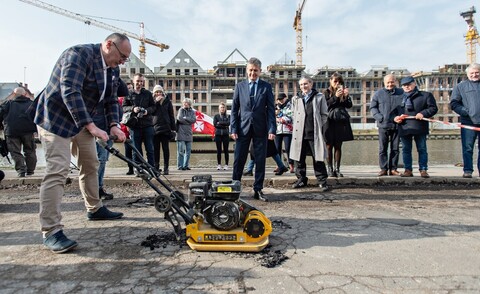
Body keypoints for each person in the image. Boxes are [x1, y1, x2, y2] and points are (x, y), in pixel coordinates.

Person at [31, 33, 128, 253]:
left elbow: (111, 99)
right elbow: (70, 91)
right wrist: (92, 126)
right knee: (58, 169)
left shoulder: (113, 69)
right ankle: (51, 230)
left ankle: (94, 208)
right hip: (55, 119)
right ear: (108, 45)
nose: (123, 61)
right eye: (122, 56)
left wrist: (113, 124)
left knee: (91, 163)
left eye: (125, 59)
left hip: (82, 121)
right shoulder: (78, 55)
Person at [230, 57, 276, 202]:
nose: (252, 73)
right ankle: (234, 188)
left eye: (255, 70)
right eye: (250, 70)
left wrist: (272, 129)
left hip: (261, 128)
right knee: (239, 159)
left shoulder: (266, 87)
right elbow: (234, 109)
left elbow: (270, 110)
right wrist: (233, 128)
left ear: (260, 71)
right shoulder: (240, 86)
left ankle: (258, 189)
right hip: (243, 128)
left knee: (260, 160)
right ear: (246, 71)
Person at [290, 76, 330, 192]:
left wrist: (318, 124)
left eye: (306, 84)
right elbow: (293, 113)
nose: (303, 86)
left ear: (311, 84)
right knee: (299, 158)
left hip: (314, 133)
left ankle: (322, 181)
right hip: (299, 133)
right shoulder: (296, 98)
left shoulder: (319, 97)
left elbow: (324, 114)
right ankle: (301, 179)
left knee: (318, 157)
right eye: (301, 84)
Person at [394, 76, 438, 178]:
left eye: (409, 84)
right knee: (406, 149)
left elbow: (433, 108)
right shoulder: (399, 98)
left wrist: (423, 113)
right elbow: (393, 112)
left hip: (420, 127)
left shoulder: (426, 95)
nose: (407, 87)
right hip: (404, 127)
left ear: (414, 84)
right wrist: (395, 118)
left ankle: (423, 170)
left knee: (422, 149)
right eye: (404, 85)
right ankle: (408, 170)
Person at [94, 78, 129, 200]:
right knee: (100, 160)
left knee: (103, 160)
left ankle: (98, 187)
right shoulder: (99, 96)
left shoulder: (113, 97)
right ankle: (96, 189)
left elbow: (124, 91)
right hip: (100, 130)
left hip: (109, 130)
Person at [369, 74, 404, 176]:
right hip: (383, 125)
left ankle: (393, 169)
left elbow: (405, 106)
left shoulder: (401, 93)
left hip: (397, 125)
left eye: (392, 82)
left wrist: (401, 117)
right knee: (382, 148)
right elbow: (373, 108)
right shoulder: (378, 94)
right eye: (388, 82)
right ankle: (383, 169)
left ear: (395, 81)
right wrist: (380, 118)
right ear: (384, 83)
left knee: (395, 148)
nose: (390, 84)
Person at [450, 63, 480, 178]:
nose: (474, 75)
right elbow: (454, 103)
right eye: (472, 73)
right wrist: (465, 111)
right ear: (467, 74)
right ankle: (468, 170)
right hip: (468, 123)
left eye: (477, 72)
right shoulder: (460, 87)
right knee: (467, 148)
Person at [0, 87, 37, 177]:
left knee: (15, 152)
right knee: (30, 150)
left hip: (11, 132)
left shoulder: (7, 104)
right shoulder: (32, 104)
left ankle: (21, 170)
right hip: (28, 131)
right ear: (24, 94)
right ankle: (30, 170)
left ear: (14, 94)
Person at [122, 73, 155, 173]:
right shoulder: (128, 94)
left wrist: (146, 111)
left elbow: (153, 107)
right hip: (134, 125)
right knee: (136, 149)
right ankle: (139, 169)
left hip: (147, 125)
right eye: (137, 81)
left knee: (150, 148)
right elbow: (123, 107)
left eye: (141, 81)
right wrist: (133, 108)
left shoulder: (148, 94)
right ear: (134, 82)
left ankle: (151, 168)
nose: (139, 83)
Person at [324, 72, 354, 178]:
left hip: (340, 122)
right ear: (331, 81)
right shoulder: (326, 92)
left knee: (338, 146)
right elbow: (325, 105)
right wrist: (336, 97)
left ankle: (337, 169)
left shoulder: (343, 92)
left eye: (340, 82)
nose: (337, 83)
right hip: (329, 121)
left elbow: (349, 106)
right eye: (335, 81)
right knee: (328, 146)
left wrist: (346, 97)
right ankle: (329, 169)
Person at [152, 85, 175, 175]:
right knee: (155, 149)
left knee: (166, 149)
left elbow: (171, 115)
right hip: (155, 128)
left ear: (162, 92)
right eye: (156, 92)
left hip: (166, 128)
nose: (158, 94)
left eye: (160, 92)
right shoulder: (152, 102)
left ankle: (166, 168)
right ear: (154, 93)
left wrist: (173, 129)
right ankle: (156, 167)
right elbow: (151, 111)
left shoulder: (167, 102)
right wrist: (156, 102)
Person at [275, 93, 294, 173]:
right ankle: (279, 165)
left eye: (282, 99)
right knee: (277, 148)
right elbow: (273, 116)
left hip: (288, 130)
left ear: (285, 98)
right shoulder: (276, 106)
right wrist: (277, 118)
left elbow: (292, 115)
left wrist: (284, 119)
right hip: (278, 130)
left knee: (288, 148)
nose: (280, 100)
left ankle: (291, 165)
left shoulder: (291, 106)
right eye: (279, 99)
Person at [176, 98, 196, 170]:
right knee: (180, 151)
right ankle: (180, 166)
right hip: (180, 133)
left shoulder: (192, 111)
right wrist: (188, 120)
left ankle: (186, 165)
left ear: (189, 104)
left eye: (186, 103)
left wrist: (185, 118)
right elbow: (180, 119)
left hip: (189, 133)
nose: (185, 104)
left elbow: (194, 120)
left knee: (188, 151)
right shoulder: (180, 110)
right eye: (184, 103)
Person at [213, 102, 230, 170]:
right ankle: (219, 164)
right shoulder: (216, 116)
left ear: (225, 108)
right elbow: (215, 124)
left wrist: (219, 123)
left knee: (226, 150)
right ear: (219, 109)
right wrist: (224, 125)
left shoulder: (228, 116)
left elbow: (228, 123)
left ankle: (226, 165)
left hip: (226, 135)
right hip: (218, 135)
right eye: (221, 107)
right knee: (218, 150)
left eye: (223, 107)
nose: (222, 109)